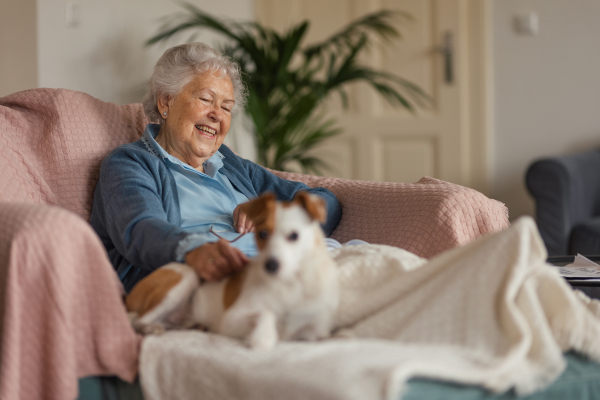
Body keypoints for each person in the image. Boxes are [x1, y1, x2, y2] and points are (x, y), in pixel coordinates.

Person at [90, 42, 342, 293]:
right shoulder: (130, 163)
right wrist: (195, 251)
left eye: (226, 107)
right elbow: (140, 230)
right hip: (214, 282)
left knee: (372, 263)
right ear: (166, 102)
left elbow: (325, 201)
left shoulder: (229, 164)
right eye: (206, 99)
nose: (217, 115)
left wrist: (270, 214)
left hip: (284, 264)